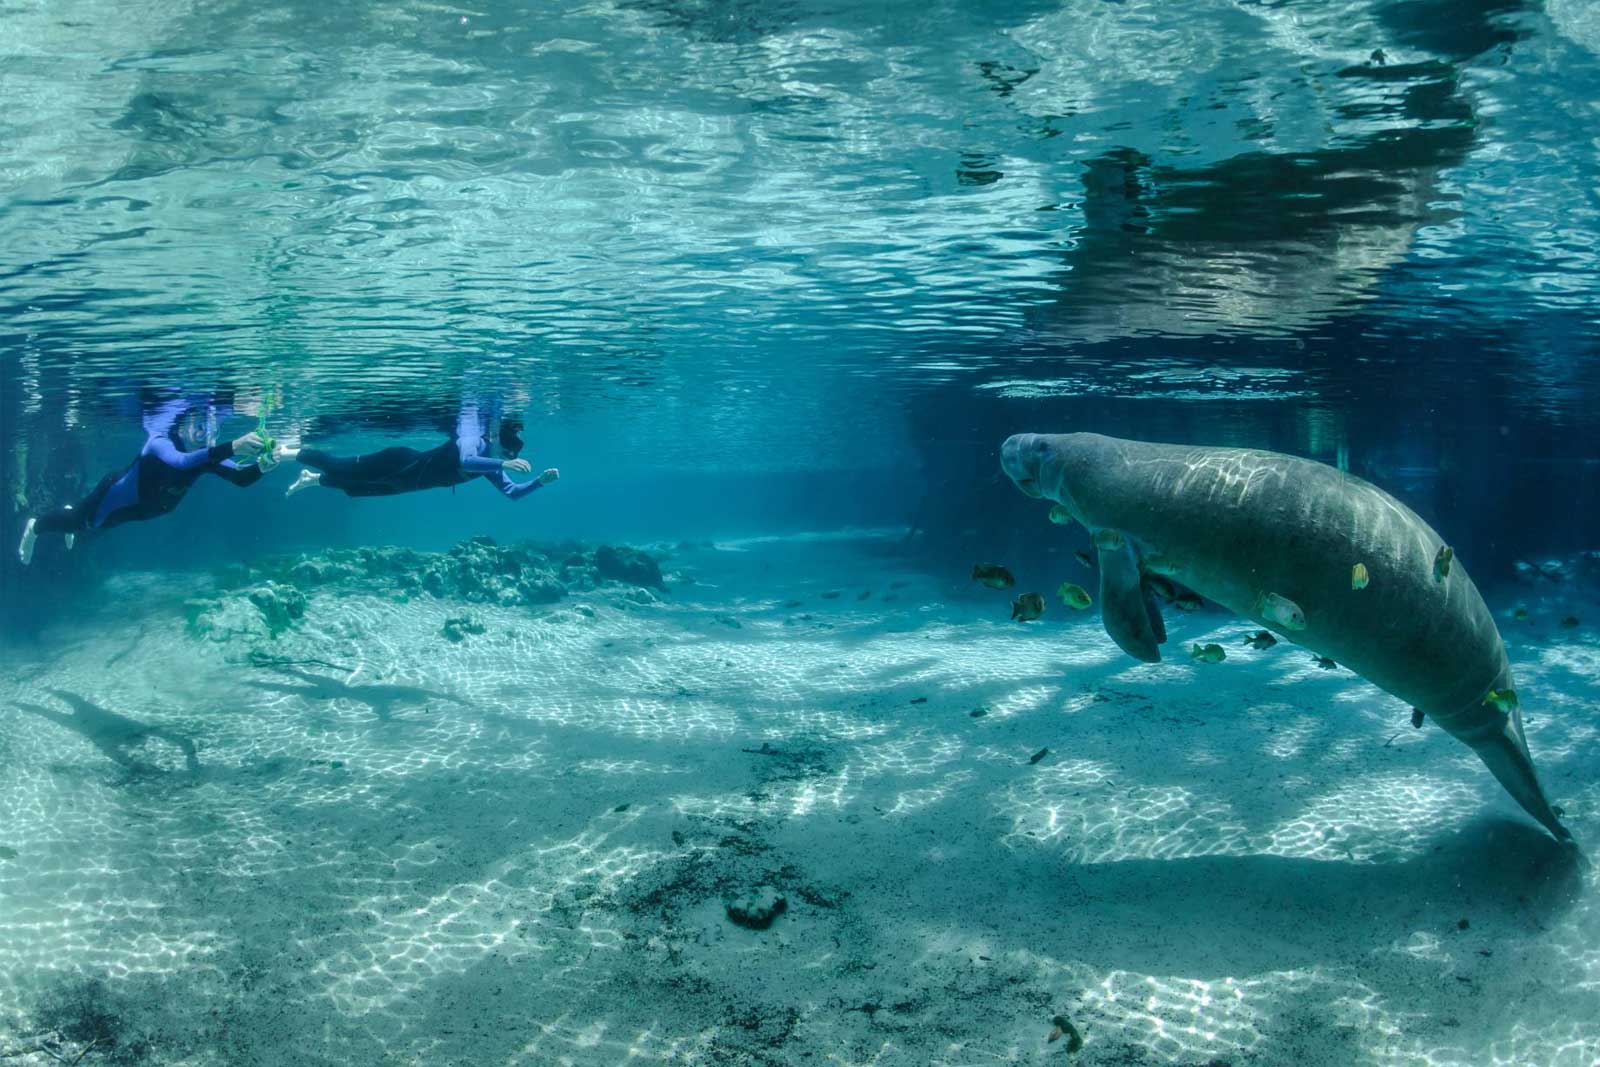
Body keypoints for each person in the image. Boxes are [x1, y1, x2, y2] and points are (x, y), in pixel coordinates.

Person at [17, 397, 269, 565]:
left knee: (94, 528)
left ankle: (74, 517)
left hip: (143, 511)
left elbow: (241, 478)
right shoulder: (160, 443)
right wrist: (234, 446)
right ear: (180, 428)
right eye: (200, 426)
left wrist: (265, 465)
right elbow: (181, 462)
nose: (207, 434)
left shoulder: (206, 456)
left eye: (213, 429)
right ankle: (35, 526)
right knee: (81, 522)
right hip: (117, 497)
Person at [279, 400, 558, 500]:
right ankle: (284, 450)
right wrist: (502, 465)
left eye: (507, 456)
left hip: (406, 484)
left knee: (355, 488)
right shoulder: (474, 439)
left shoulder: (492, 463)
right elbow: (466, 460)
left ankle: (311, 479)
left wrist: (539, 483)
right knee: (338, 467)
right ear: (497, 439)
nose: (504, 457)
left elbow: (512, 494)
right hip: (399, 462)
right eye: (505, 452)